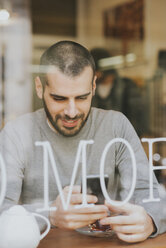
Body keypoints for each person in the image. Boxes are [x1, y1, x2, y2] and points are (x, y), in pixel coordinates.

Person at [0, 40, 165, 243]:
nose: (71, 112)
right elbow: (2, 212)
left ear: (94, 86)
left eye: (81, 98)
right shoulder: (16, 134)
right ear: (39, 87)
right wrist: (51, 214)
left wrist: (150, 219)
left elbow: (151, 194)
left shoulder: (116, 125)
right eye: (59, 98)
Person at [90, 48, 147, 137]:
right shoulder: (90, 88)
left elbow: (137, 120)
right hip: (96, 142)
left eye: (94, 70)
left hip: (122, 142)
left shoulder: (128, 86)